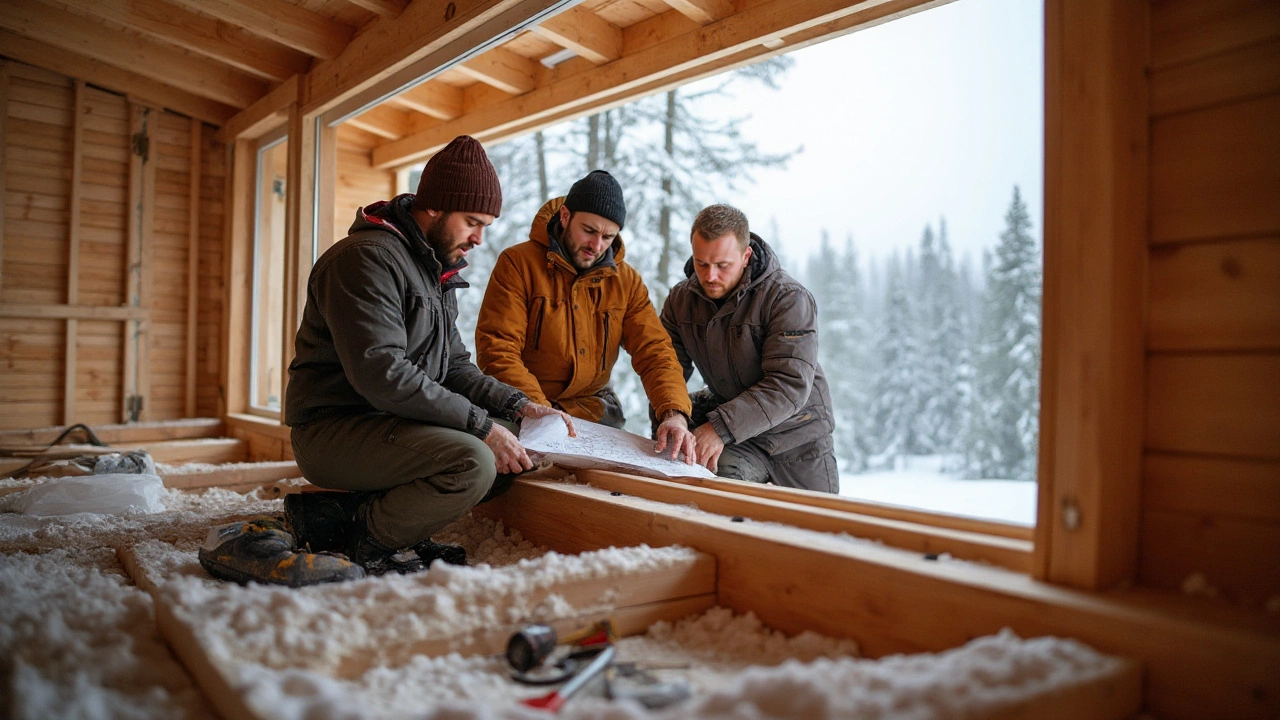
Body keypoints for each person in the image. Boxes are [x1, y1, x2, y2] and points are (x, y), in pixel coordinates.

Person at [284, 135, 574, 575]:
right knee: (474, 458)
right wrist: (481, 427)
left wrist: (519, 405)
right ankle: (365, 538)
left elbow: (454, 365)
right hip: (335, 429)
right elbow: (383, 374)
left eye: (486, 227)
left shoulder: (433, 268)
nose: (479, 238)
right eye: (472, 222)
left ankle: (372, 520)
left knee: (517, 440)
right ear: (435, 206)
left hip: (389, 424)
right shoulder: (366, 260)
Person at [475, 170, 696, 462]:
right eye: (589, 231)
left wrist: (674, 413)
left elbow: (654, 351)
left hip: (593, 412)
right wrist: (538, 410)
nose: (597, 245)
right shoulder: (517, 264)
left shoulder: (626, 281)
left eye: (608, 236)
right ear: (565, 216)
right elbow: (498, 349)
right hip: (524, 407)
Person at [660, 204, 838, 493]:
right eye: (701, 263)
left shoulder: (788, 299)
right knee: (710, 497)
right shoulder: (680, 301)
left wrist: (718, 428)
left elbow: (788, 384)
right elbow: (666, 366)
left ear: (746, 256)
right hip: (741, 438)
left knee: (820, 531)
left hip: (798, 439)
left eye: (722, 265)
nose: (710, 276)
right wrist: (673, 415)